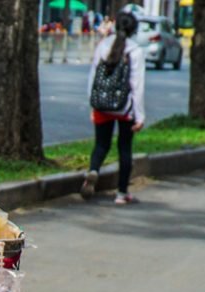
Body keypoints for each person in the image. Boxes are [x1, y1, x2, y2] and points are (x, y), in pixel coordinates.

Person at [80, 10, 145, 205]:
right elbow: (137, 85)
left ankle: (93, 170)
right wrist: (139, 115)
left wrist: (93, 104)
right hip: (124, 107)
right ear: (134, 30)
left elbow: (93, 76)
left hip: (102, 104)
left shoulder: (103, 45)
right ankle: (122, 193)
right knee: (124, 147)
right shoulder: (135, 51)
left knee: (101, 144)